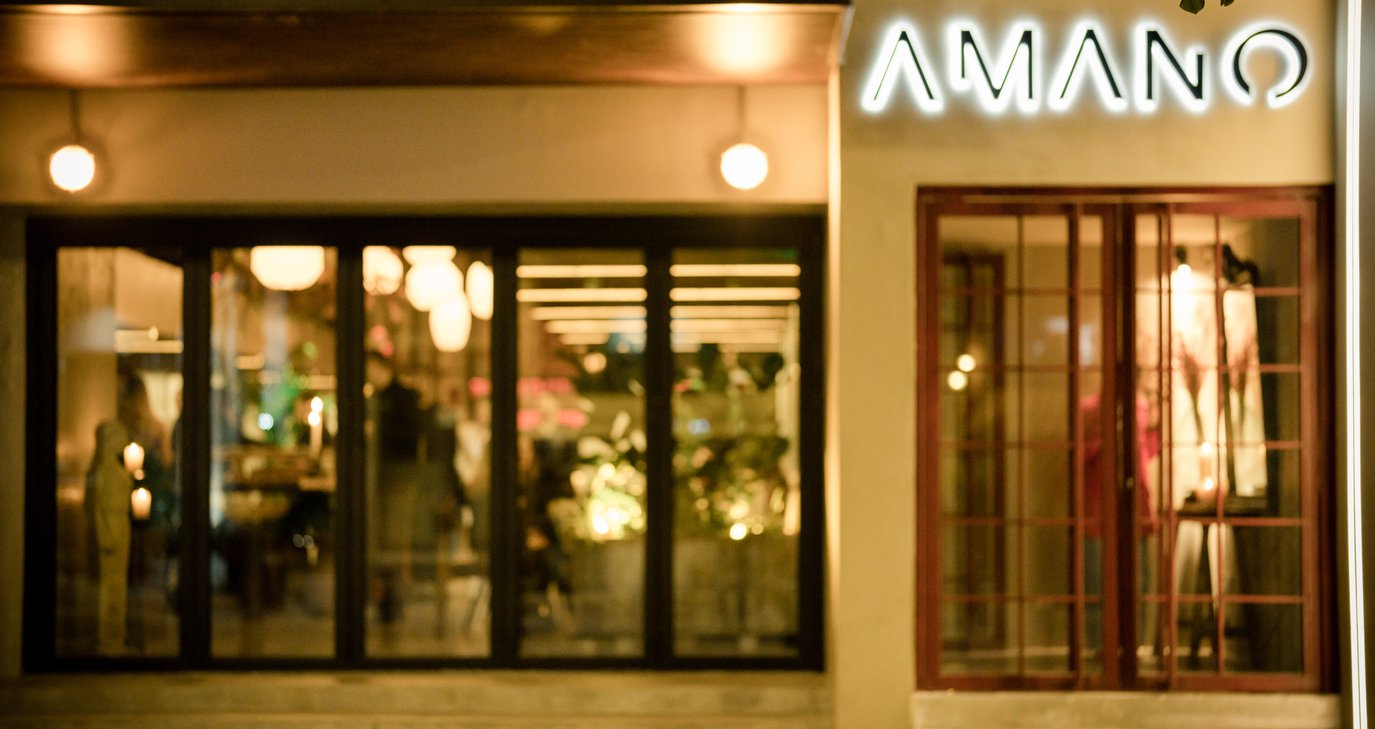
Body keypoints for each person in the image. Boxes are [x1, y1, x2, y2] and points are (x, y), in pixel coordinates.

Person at [88, 374, 169, 654]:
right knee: (115, 578)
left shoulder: (138, 432)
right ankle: (113, 637)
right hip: (117, 511)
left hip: (131, 509)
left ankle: (120, 634)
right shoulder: (115, 432)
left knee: (123, 577)